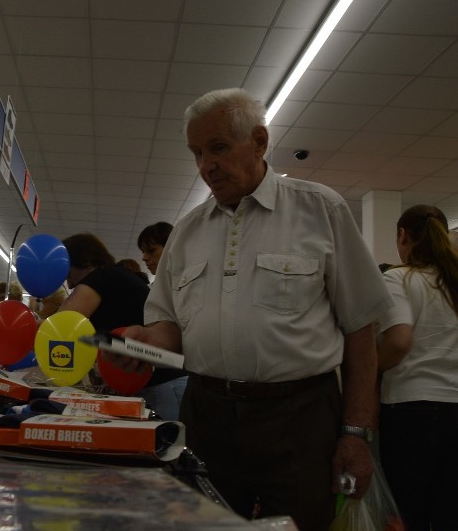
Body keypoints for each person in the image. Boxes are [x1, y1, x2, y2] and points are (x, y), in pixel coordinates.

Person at [119, 88, 392, 529]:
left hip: (300, 419)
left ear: (260, 142)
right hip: (206, 415)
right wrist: (143, 343)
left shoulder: (320, 210)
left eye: (219, 148)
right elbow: (168, 324)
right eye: (197, 152)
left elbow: (362, 329)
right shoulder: (187, 232)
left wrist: (357, 434)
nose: (206, 165)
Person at [377, 205, 458, 530]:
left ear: (402, 236)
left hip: (412, 409)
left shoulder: (398, 277)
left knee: (408, 512)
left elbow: (398, 341)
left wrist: (372, 369)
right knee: (448, 512)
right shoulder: (453, 283)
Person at [61, 233, 187, 419]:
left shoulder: (100, 277)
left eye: (69, 274)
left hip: (160, 387)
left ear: (86, 262)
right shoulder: (122, 277)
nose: (70, 284)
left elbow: (61, 326)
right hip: (171, 381)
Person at [133, 222, 190, 421]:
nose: (144, 257)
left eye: (151, 250)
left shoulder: (187, 285)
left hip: (174, 380)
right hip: (169, 377)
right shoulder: (159, 287)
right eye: (142, 251)